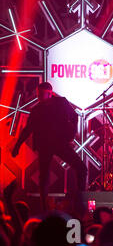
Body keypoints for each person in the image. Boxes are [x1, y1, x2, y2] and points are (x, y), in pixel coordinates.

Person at [11, 82, 86, 214]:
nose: (38, 96)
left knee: (81, 168)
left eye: (41, 94)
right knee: (44, 177)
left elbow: (74, 116)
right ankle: (44, 208)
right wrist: (17, 145)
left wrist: (71, 133)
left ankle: (79, 204)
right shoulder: (37, 110)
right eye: (38, 94)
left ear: (49, 93)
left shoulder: (61, 103)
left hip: (60, 143)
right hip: (45, 145)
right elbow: (28, 129)